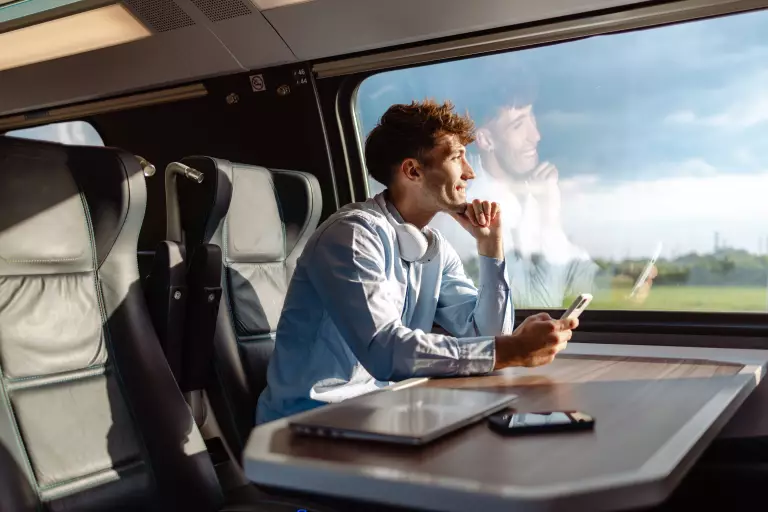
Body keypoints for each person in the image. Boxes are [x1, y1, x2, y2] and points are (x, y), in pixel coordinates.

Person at [256, 100, 579, 424]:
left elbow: (490, 332)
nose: (471, 172)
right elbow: (385, 351)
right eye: (456, 158)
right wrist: (511, 351)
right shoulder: (351, 236)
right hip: (308, 423)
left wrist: (490, 245)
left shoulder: (433, 247)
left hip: (381, 412)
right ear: (412, 171)